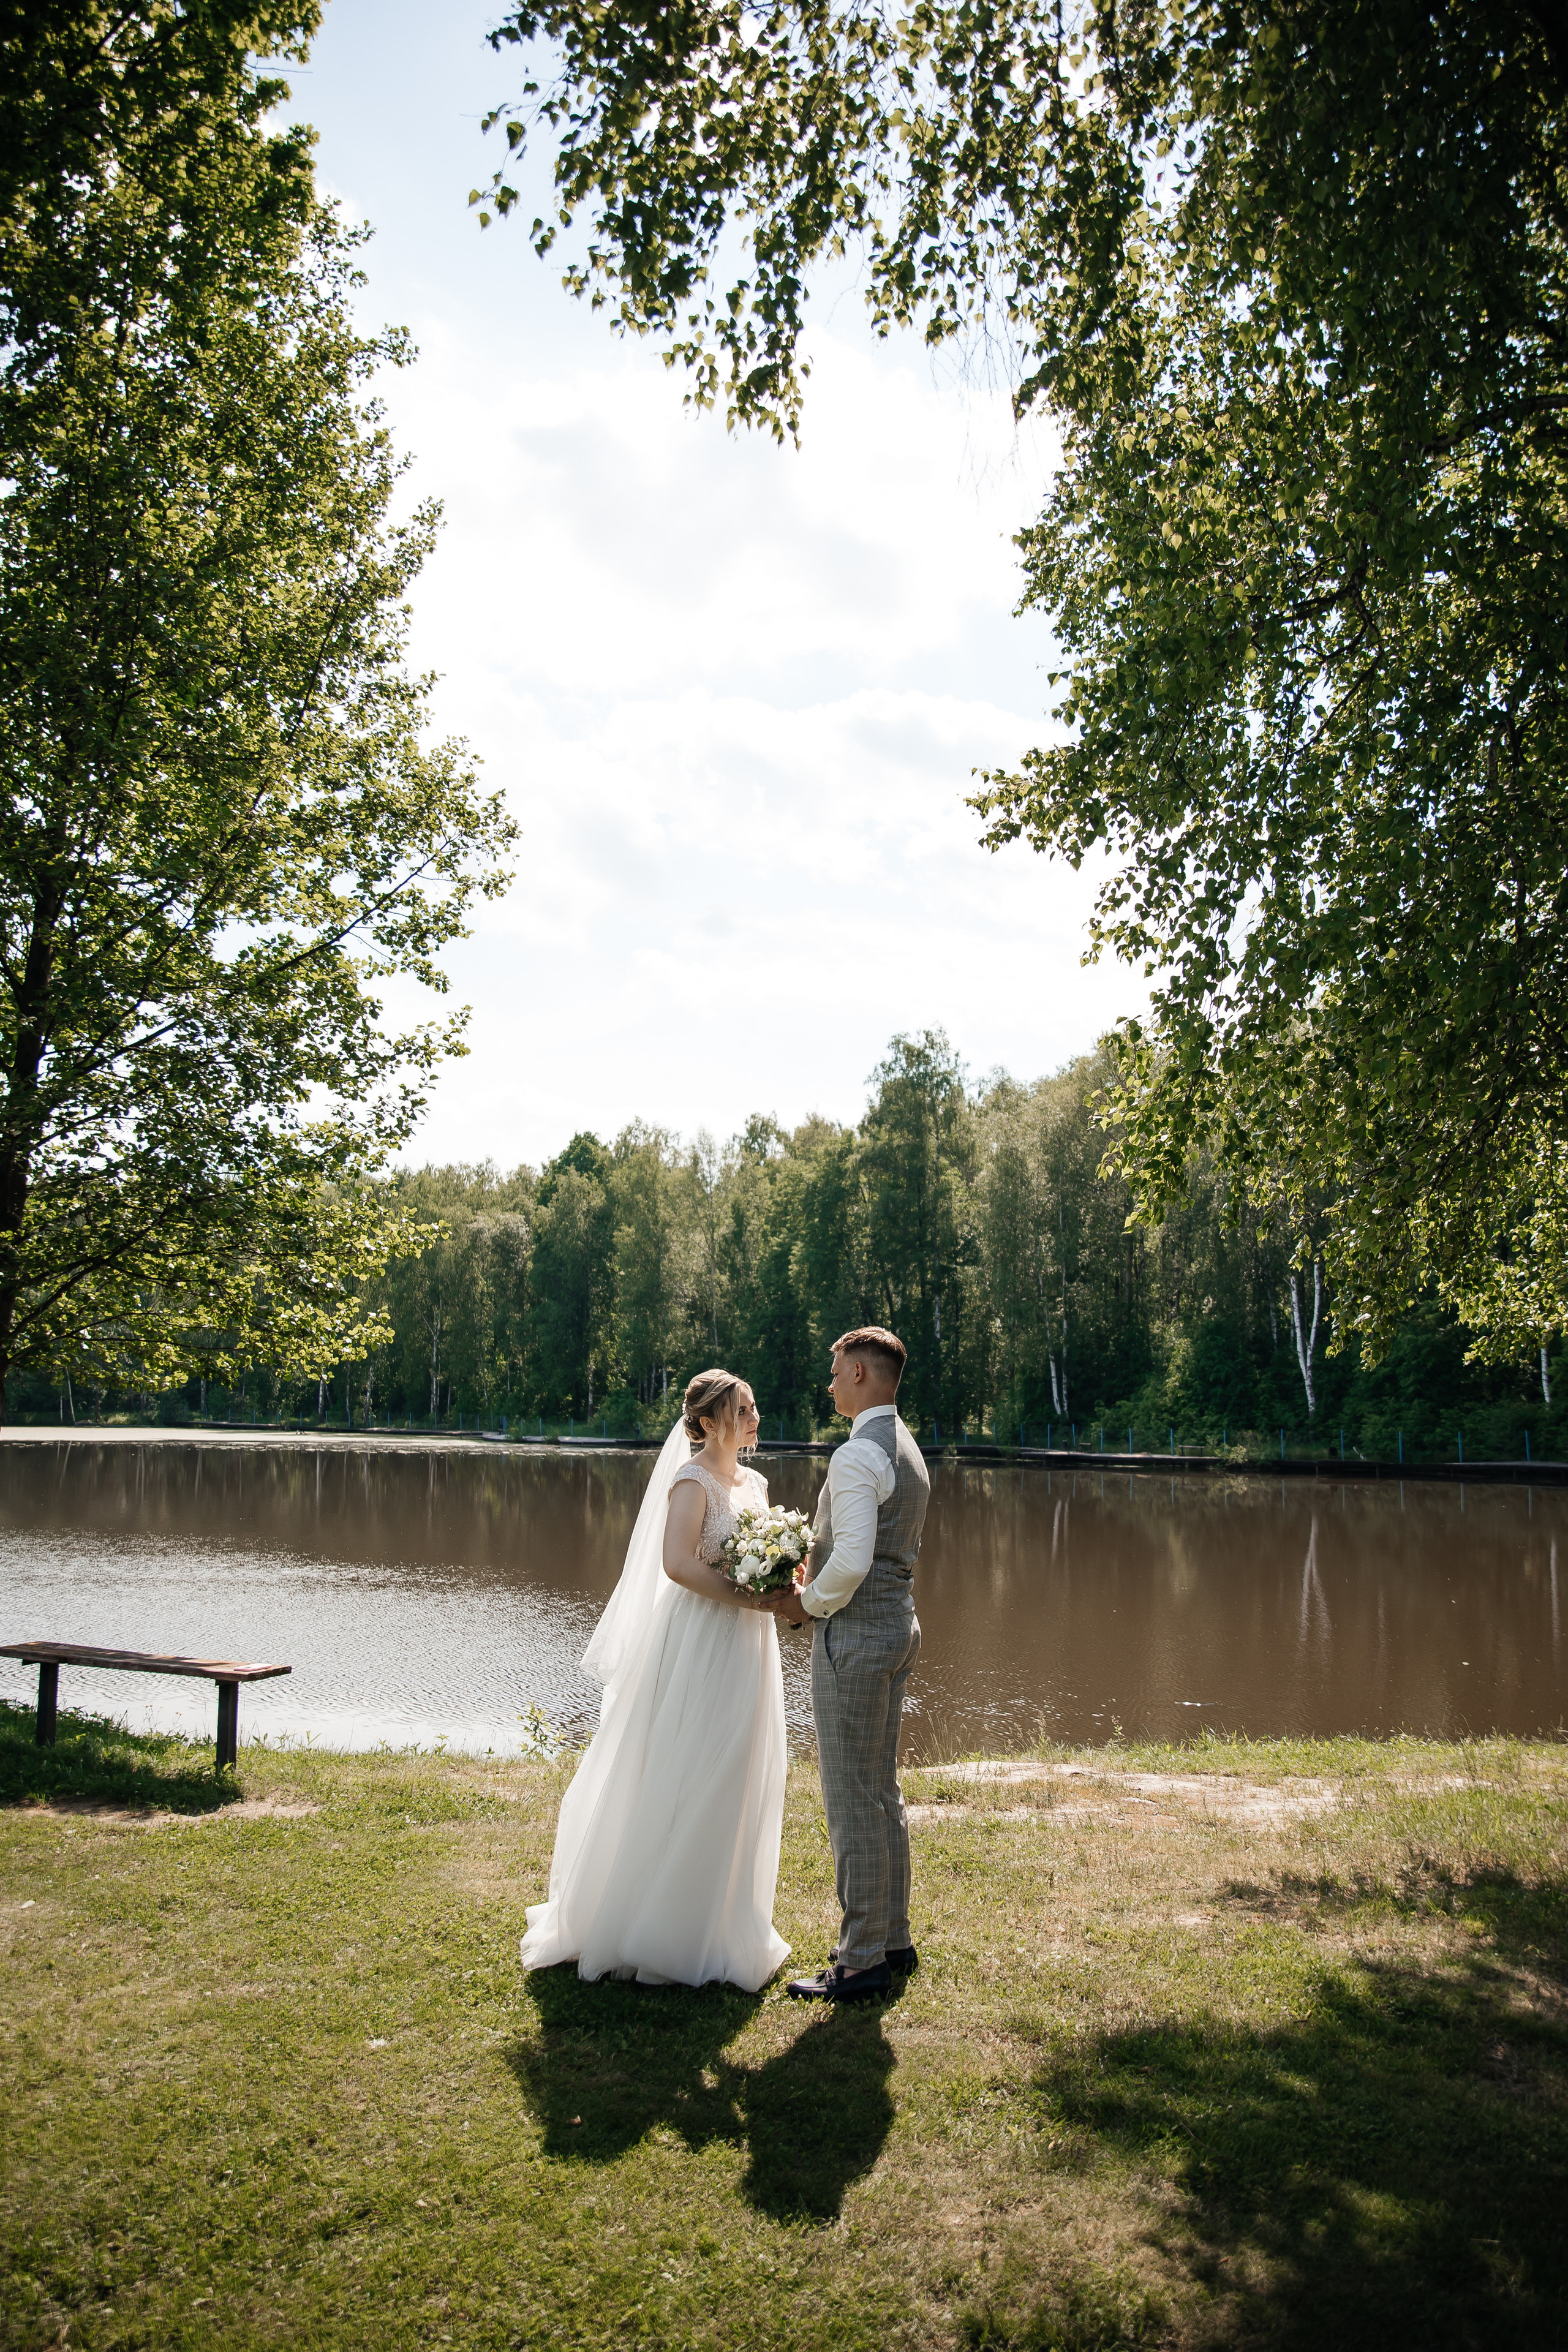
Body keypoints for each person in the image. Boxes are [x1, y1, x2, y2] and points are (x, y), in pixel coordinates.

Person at [519, 1368, 797, 1989]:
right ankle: (654, 1925)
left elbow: (762, 1558)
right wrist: (749, 1598)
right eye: (743, 1410)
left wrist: (780, 1583)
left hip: (750, 1645)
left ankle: (723, 1923)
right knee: (690, 1764)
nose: (755, 1418)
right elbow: (675, 1565)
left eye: (754, 1406)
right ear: (707, 1422)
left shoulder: (754, 1483)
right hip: (701, 1637)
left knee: (742, 1765)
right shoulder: (690, 1481)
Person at [777, 1325, 930, 2004]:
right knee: (881, 1791)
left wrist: (806, 1605)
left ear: (864, 1374)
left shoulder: (856, 1454)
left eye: (837, 1371)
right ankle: (892, 1940)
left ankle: (860, 1958)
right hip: (898, 1627)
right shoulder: (907, 1447)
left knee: (850, 1801)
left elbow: (851, 1559)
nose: (831, 1381)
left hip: (857, 1637)